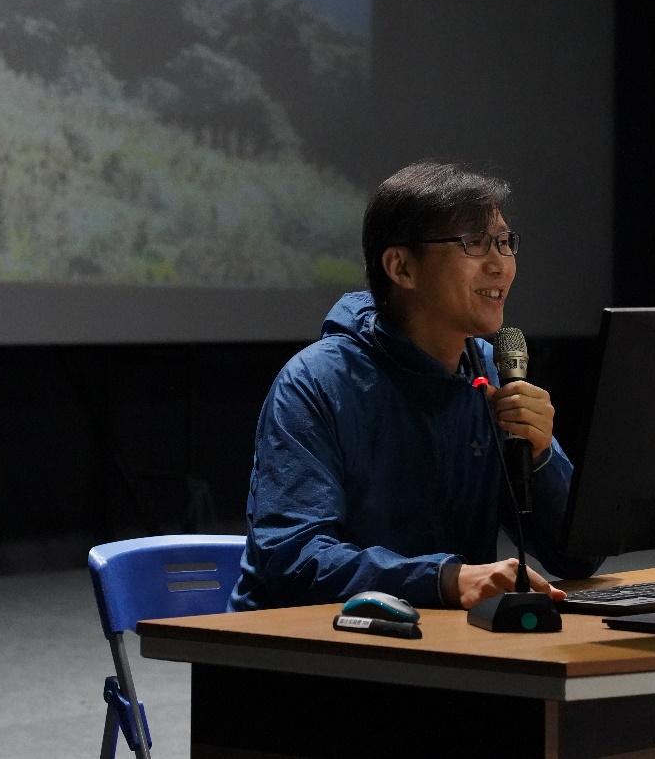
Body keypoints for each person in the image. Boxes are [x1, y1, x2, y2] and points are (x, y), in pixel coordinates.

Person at [229, 161, 601, 611]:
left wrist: (540, 458)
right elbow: (293, 559)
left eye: (505, 243)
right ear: (401, 267)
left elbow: (579, 556)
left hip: (442, 638)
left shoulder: (490, 372)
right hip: (301, 644)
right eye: (474, 243)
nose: (500, 265)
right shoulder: (316, 382)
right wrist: (444, 580)